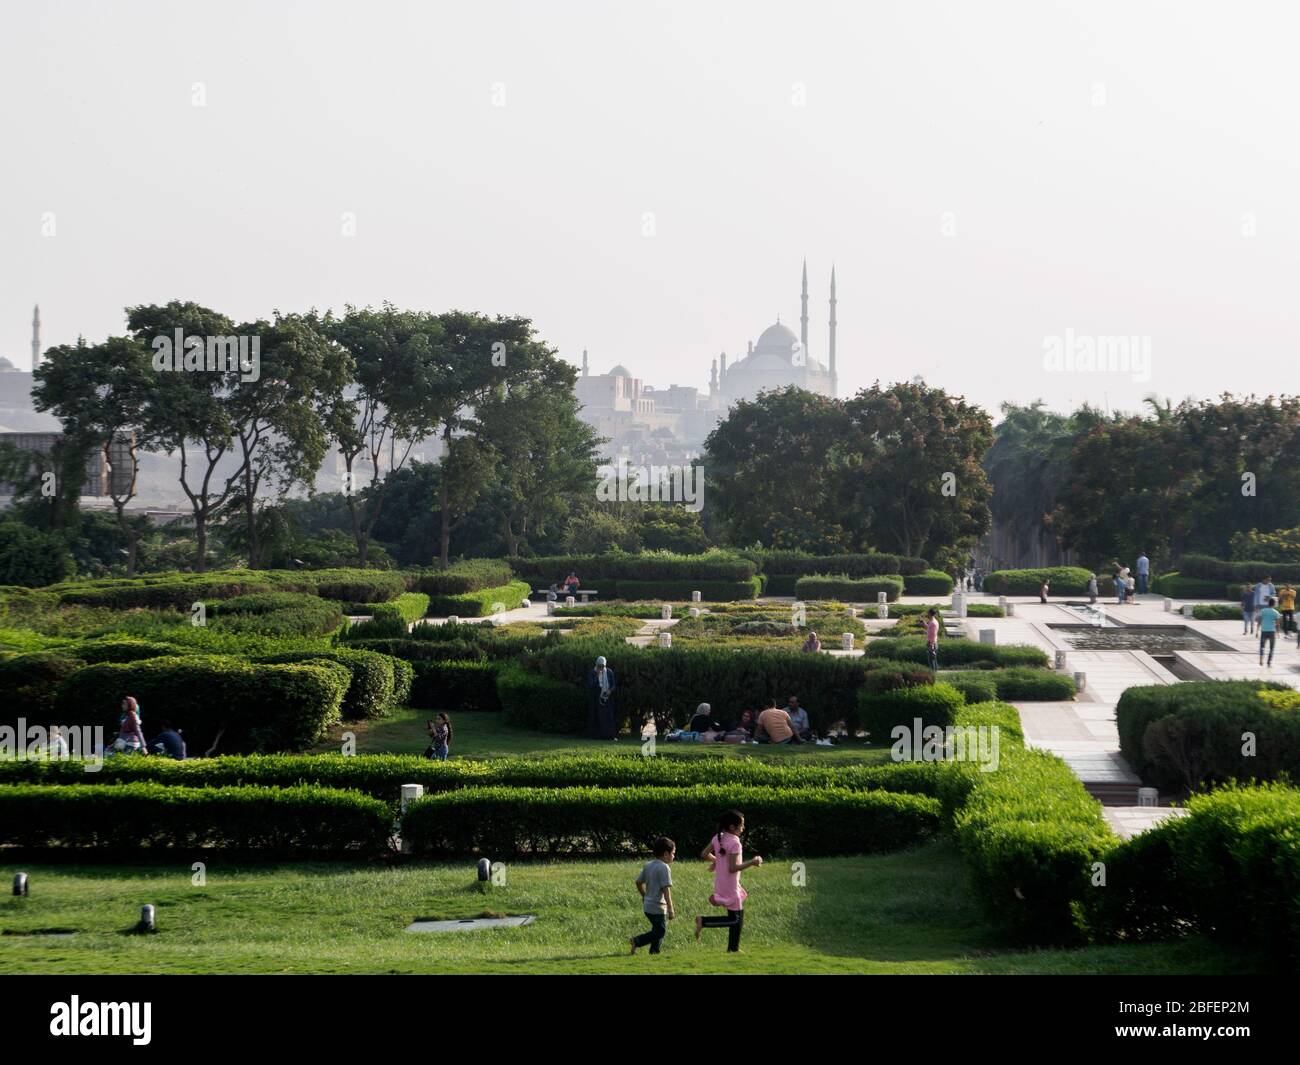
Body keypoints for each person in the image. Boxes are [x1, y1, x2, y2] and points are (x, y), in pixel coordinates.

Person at [695, 810, 761, 953]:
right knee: (736, 919)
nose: (743, 828)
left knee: (737, 916)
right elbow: (733, 868)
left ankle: (733, 949)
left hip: (721, 884)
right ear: (732, 827)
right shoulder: (735, 843)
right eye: (741, 825)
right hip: (730, 886)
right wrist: (753, 862)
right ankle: (704, 921)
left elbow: (704, 854)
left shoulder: (718, 838)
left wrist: (717, 861)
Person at [629, 837, 675, 955]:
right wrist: (670, 908)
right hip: (657, 906)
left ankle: (654, 951)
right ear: (666, 854)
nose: (674, 856)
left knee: (657, 929)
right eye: (673, 853)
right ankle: (636, 941)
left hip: (648, 906)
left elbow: (638, 882)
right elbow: (666, 889)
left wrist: (644, 895)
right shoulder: (664, 867)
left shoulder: (648, 865)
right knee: (660, 931)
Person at [586, 656, 617, 740]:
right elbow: (590, 685)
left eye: (602, 666)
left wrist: (610, 690)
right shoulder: (592, 672)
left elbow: (613, 684)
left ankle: (610, 735)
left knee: (608, 717)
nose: (601, 668)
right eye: (599, 666)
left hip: (607, 698)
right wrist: (597, 676)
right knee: (596, 716)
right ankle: (596, 736)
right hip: (595, 698)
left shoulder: (609, 672)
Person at [1258, 596, 1281, 667]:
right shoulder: (1276, 612)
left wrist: (1257, 630)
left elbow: (1259, 620)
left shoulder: (1263, 611)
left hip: (1264, 630)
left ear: (1268, 603)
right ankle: (1269, 662)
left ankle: (1261, 660)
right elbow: (1277, 624)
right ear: (1274, 604)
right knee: (1271, 648)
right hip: (1272, 631)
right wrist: (1278, 632)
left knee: (1262, 646)